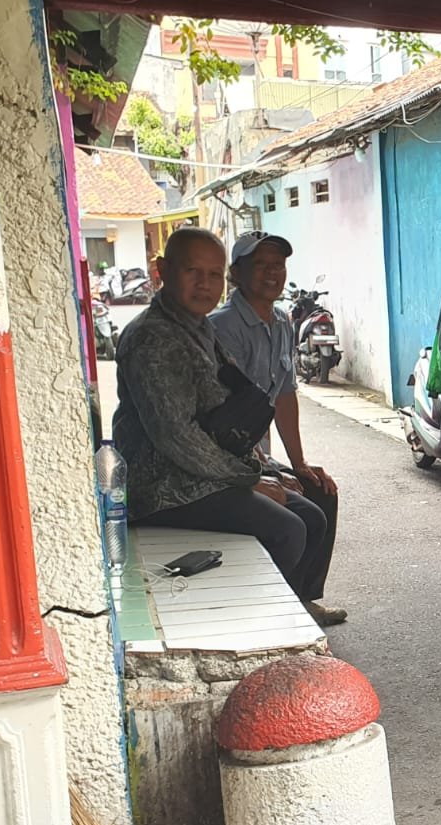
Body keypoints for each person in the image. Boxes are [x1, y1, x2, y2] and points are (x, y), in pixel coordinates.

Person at [112, 228, 336, 627]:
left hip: (202, 476)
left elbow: (234, 410)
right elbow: (176, 436)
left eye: (213, 274)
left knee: (312, 514)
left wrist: (267, 469)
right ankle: (253, 625)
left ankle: (291, 614)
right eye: (192, 271)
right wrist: (248, 480)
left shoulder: (196, 327)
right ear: (163, 270)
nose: (205, 284)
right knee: (287, 530)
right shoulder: (152, 337)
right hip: (164, 489)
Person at [207, 231, 345, 626]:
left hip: (257, 455)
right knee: (301, 516)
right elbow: (221, 416)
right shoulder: (222, 327)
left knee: (321, 491)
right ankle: (277, 608)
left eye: (278, 265)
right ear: (236, 274)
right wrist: (258, 475)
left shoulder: (282, 321)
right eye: (260, 265)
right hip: (228, 459)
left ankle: (304, 598)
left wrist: (298, 464)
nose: (272, 273)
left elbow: (284, 395)